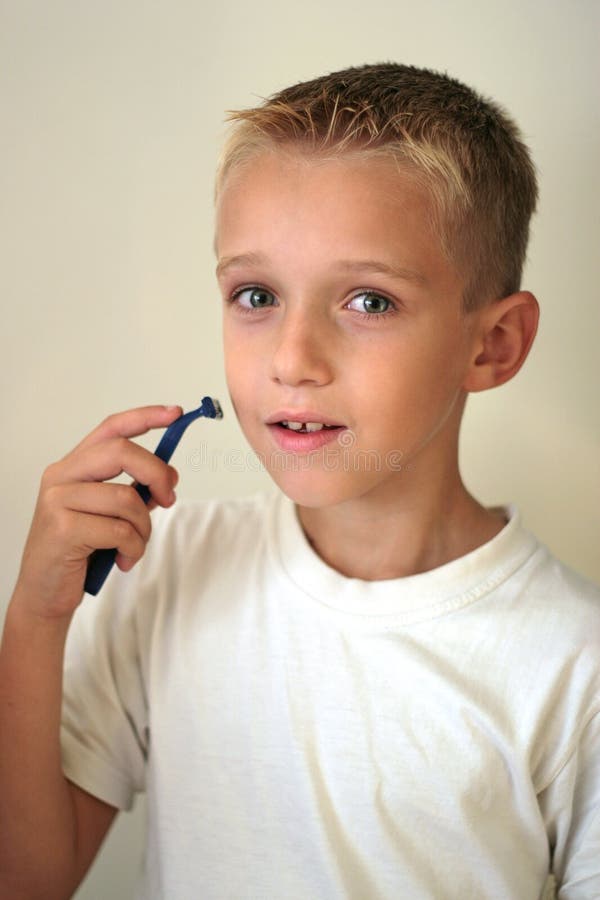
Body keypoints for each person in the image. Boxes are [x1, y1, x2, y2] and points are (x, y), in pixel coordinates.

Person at [0, 62, 598, 900]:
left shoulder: (576, 663)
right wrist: (34, 618)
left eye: (369, 302)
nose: (291, 359)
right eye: (256, 294)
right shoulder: (164, 573)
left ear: (492, 345)